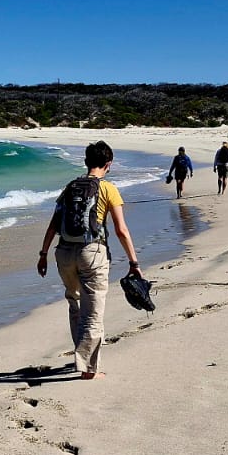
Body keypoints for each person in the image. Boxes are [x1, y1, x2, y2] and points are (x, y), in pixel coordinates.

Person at [36, 141, 142, 380]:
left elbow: (54, 224)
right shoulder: (108, 189)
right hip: (92, 253)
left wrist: (43, 254)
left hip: (63, 253)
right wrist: (134, 262)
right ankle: (87, 369)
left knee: (74, 302)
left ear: (86, 162)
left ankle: (81, 355)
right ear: (109, 164)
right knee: (93, 312)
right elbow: (121, 230)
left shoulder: (70, 187)